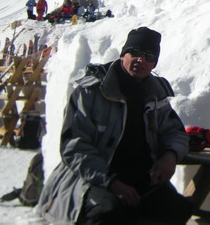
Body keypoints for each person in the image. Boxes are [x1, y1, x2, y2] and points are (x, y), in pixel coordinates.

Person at [36, 27, 192, 224]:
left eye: (148, 56)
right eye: (135, 52)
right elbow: (74, 147)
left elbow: (174, 131)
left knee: (178, 209)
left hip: (140, 178)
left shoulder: (155, 94)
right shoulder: (90, 92)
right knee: (108, 214)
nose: (140, 60)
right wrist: (111, 182)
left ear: (154, 63)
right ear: (123, 55)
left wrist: (171, 155)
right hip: (93, 179)